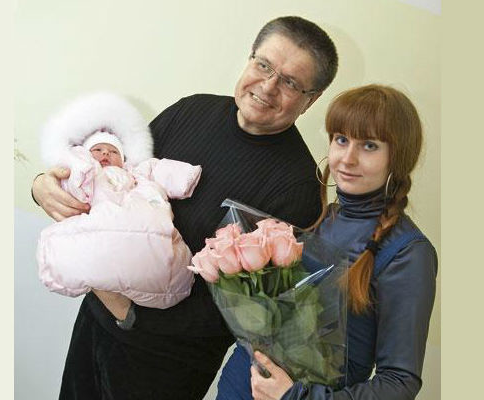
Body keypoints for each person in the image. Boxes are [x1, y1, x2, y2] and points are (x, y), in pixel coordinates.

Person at [31, 16, 338, 400]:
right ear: (249, 59)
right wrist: (42, 187)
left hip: (165, 365)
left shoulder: (299, 190)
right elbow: (115, 177)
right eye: (263, 65)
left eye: (290, 82)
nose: (268, 86)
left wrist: (129, 314)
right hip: (96, 322)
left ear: (311, 99)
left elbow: (249, 313)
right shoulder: (191, 110)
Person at [216, 84, 437, 400]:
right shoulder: (318, 215)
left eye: (369, 145)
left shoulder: (407, 252)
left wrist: (297, 397)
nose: (347, 159)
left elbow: (399, 382)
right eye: (341, 139)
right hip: (238, 386)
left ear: (398, 158)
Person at [37, 93, 200, 313]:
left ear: (124, 159)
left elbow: (158, 168)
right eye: (97, 150)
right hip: (98, 224)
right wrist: (78, 165)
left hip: (141, 224)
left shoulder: (138, 173)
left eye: (113, 151)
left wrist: (185, 176)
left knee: (168, 264)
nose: (106, 153)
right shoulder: (85, 170)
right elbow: (67, 183)